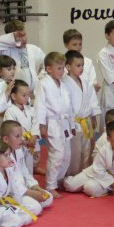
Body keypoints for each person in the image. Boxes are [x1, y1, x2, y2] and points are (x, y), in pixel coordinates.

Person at [36, 52, 74, 197]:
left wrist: (72, 125)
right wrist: (42, 125)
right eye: (59, 68)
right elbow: (40, 105)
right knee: (56, 154)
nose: (62, 71)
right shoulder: (43, 83)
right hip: (51, 123)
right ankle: (50, 185)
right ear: (49, 69)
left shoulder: (62, 84)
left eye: (63, 68)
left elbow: (69, 107)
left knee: (67, 155)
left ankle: (58, 180)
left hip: (64, 123)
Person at [0, 120, 54, 209]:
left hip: (22, 190)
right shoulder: (1, 157)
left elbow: (25, 173)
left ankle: (20, 207)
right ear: (6, 139)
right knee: (36, 207)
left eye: (21, 135)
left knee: (48, 197)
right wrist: (30, 193)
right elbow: (10, 184)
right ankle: (9, 209)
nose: (21, 139)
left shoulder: (18, 151)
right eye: (17, 136)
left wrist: (35, 186)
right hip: (9, 193)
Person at [64, 49, 100, 176]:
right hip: (73, 122)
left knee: (87, 149)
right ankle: (72, 175)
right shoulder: (64, 83)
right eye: (78, 65)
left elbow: (91, 99)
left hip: (86, 121)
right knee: (75, 151)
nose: (81, 68)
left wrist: (93, 115)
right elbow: (65, 105)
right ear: (68, 67)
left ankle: (85, 173)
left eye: (83, 65)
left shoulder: (85, 82)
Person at [0, 20, 46, 92]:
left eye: (24, 35)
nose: (24, 39)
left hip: (33, 92)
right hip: (14, 93)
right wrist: (12, 37)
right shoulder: (5, 51)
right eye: (20, 37)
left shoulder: (34, 49)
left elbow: (46, 65)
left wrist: (39, 78)